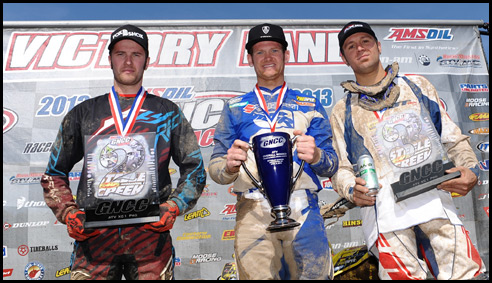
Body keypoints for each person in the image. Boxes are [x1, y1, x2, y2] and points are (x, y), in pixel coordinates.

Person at [40, 24, 206, 280]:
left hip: (151, 244)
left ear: (147, 61)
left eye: (136, 54)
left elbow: (194, 166)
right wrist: (68, 211)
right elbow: (54, 172)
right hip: (94, 245)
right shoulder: (84, 114)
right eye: (120, 54)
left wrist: (174, 205)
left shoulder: (167, 112)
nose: (128, 61)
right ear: (110, 60)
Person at [330, 21, 487, 280]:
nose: (360, 48)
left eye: (365, 41)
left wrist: (470, 170)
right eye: (351, 46)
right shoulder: (342, 109)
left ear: (379, 46)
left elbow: (454, 140)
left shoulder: (416, 86)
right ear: (344, 58)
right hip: (385, 217)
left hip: (436, 205)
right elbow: (341, 168)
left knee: (467, 275)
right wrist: (350, 188)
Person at [208, 23, 338, 280]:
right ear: (249, 59)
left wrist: (317, 156)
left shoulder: (310, 104)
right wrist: (228, 166)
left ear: (286, 56)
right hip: (252, 211)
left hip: (304, 208)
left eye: (275, 50)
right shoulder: (234, 107)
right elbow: (215, 168)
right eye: (260, 52)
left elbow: (332, 164)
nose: (268, 57)